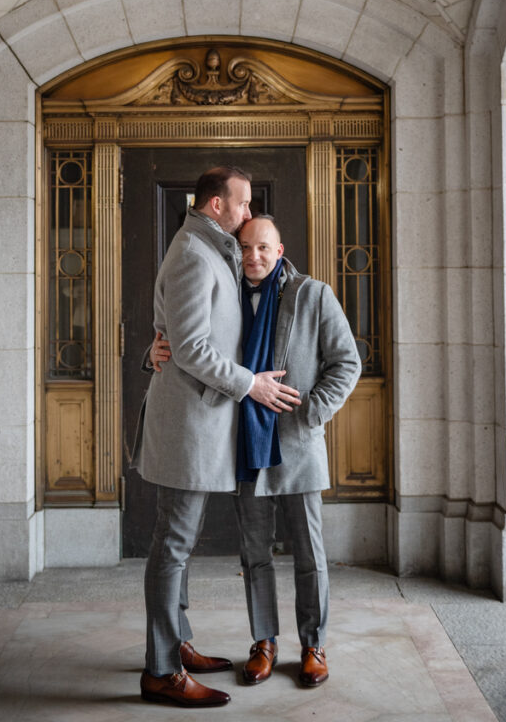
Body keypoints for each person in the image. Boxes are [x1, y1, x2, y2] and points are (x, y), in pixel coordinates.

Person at [151, 214, 361, 689]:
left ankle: (314, 645)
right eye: (245, 248)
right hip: (244, 445)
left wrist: (310, 413)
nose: (253, 257)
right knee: (255, 554)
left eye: (263, 248)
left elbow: (347, 363)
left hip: (298, 447)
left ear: (280, 250)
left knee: (310, 553)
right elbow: (192, 346)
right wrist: (155, 350)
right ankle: (264, 642)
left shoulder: (313, 295)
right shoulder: (225, 295)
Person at [133, 169, 302, 708]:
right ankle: (161, 670)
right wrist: (249, 384)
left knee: (176, 544)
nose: (249, 213)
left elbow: (175, 337)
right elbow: (187, 348)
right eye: (243, 203)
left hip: (204, 427)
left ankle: (177, 644)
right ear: (215, 204)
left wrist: (156, 348)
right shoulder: (191, 252)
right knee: (173, 545)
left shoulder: (215, 247)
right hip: (188, 430)